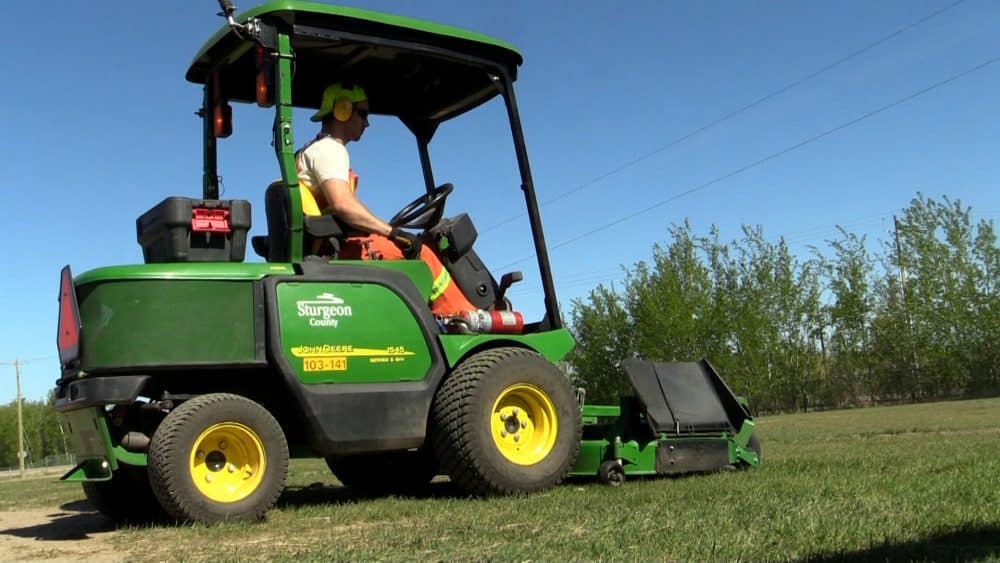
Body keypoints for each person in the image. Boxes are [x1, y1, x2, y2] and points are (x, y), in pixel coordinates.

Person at [295, 82, 477, 317]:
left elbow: (349, 205)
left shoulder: (312, 150)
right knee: (424, 255)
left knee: (410, 243)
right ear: (343, 110)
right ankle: (465, 319)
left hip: (331, 243)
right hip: (339, 250)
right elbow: (343, 205)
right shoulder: (330, 150)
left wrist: (389, 229)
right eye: (363, 114)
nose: (367, 123)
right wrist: (392, 233)